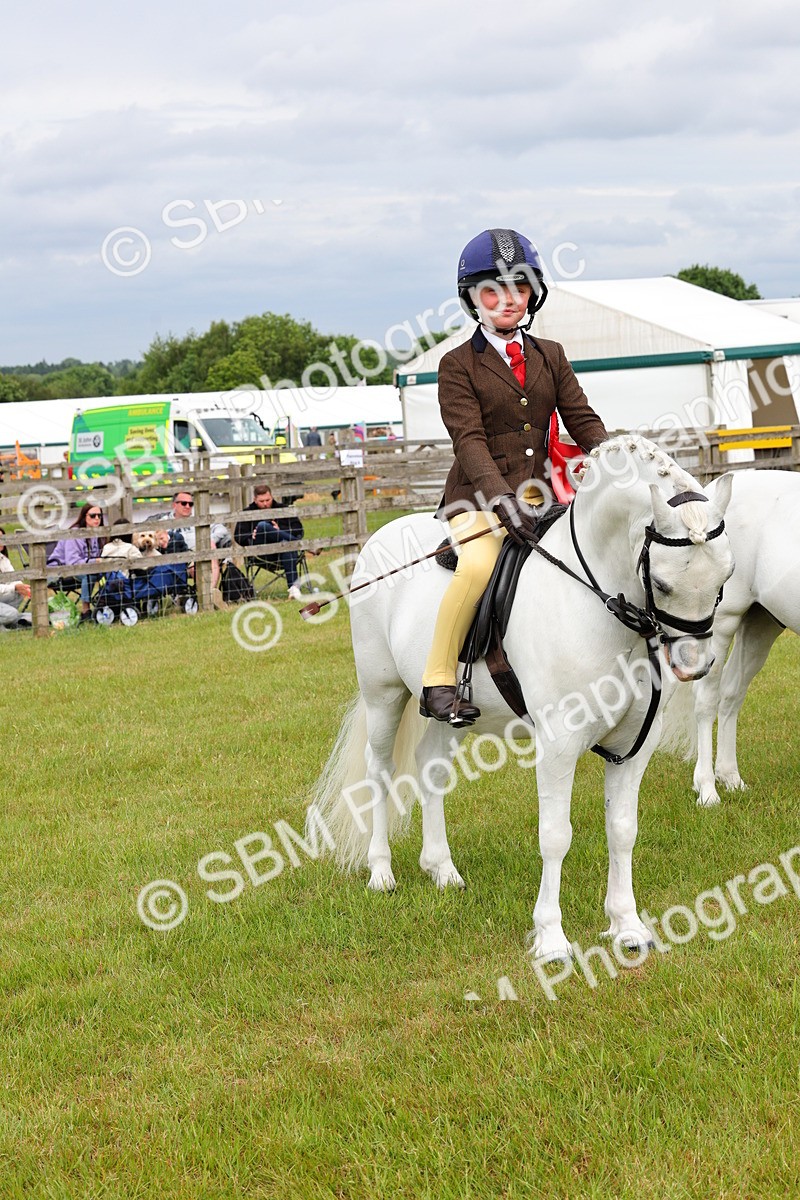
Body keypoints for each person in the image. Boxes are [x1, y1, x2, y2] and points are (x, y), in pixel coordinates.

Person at [419, 228, 608, 726]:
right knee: (479, 565)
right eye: (493, 290)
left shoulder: (551, 354)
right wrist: (501, 499)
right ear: (473, 299)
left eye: (519, 288)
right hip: (476, 501)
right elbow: (469, 441)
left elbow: (581, 418)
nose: (509, 300)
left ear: (532, 293)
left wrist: (615, 458)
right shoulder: (456, 365)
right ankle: (438, 680)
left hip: (543, 495)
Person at [234, 484, 304, 600]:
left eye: (268, 500)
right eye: (261, 501)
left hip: (283, 551)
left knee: (285, 543)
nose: (265, 504)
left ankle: (294, 589)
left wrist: (279, 529)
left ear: (272, 497)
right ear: (255, 500)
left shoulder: (283, 509)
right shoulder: (247, 512)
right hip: (261, 553)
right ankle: (300, 545)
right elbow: (238, 536)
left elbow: (299, 530)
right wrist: (251, 535)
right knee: (262, 526)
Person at [46, 503, 105, 620]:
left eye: (99, 515)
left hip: (86, 567)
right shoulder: (74, 533)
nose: (97, 519)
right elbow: (72, 562)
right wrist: (95, 561)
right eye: (93, 516)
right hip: (60, 570)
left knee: (108, 573)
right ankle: (86, 611)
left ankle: (106, 604)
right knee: (89, 574)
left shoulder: (97, 533)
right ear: (84, 516)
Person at [0, 528, 32, 629]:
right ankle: (12, 619)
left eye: (2, 538)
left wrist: (23, 587)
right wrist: (15, 587)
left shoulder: (3, 559)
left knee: (19, 593)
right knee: (12, 614)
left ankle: (8, 620)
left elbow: (14, 578)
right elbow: (13, 586)